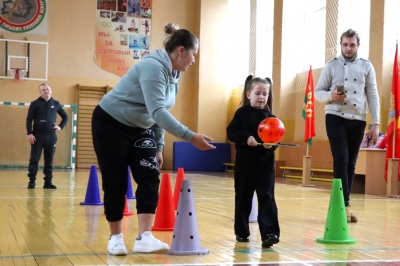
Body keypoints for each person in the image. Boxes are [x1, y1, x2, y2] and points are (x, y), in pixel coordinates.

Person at [92, 22, 216, 256]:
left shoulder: (174, 74)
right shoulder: (153, 67)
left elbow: (160, 112)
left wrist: (158, 146)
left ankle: (144, 237)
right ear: (181, 50)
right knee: (116, 181)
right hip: (111, 123)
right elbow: (158, 110)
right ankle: (116, 238)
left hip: (141, 127)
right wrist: (190, 137)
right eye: (193, 55)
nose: (193, 60)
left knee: (149, 177)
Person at [315, 29, 380, 223]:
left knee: (351, 163)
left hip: (358, 119)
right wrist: (331, 96)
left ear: (358, 45)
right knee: (341, 160)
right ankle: (342, 206)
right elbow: (318, 92)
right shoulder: (331, 65)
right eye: (345, 44)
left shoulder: (367, 66)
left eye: (352, 45)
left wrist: (375, 123)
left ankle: (345, 205)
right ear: (340, 45)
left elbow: (373, 95)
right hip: (335, 116)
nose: (348, 48)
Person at [227, 75, 280, 248]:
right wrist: (246, 138)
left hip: (265, 164)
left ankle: (270, 233)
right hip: (245, 163)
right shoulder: (242, 113)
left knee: (267, 197)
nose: (262, 97)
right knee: (243, 196)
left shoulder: (271, 117)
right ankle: (242, 232)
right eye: (258, 93)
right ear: (249, 94)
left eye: (265, 94)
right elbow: (231, 131)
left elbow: (277, 139)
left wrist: (271, 146)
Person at [26, 83, 69, 189]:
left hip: (51, 136)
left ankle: (48, 182)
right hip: (37, 136)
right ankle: (32, 181)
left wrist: (60, 126)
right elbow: (29, 119)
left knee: (49, 160)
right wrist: (30, 133)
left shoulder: (56, 104)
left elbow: (65, 117)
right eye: (43, 90)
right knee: (34, 159)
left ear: (51, 90)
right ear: (40, 92)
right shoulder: (35, 104)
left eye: (48, 89)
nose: (46, 91)